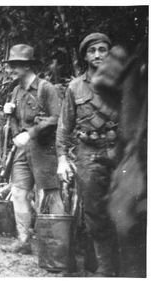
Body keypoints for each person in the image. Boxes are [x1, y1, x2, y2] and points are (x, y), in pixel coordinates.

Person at [56, 33, 119, 276]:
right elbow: (64, 126)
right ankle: (105, 267)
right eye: (92, 51)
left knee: (122, 209)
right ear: (85, 56)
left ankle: (123, 266)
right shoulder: (75, 87)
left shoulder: (121, 84)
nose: (98, 55)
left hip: (118, 152)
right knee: (93, 210)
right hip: (88, 154)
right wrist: (62, 158)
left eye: (103, 50)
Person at [1, 44, 64, 254]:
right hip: (22, 151)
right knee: (19, 193)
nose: (11, 70)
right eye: (10, 65)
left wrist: (31, 133)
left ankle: (60, 246)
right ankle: (24, 240)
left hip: (44, 149)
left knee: (51, 195)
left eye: (15, 65)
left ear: (27, 66)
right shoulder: (16, 91)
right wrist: (7, 113)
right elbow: (15, 124)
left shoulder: (46, 88)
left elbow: (57, 118)